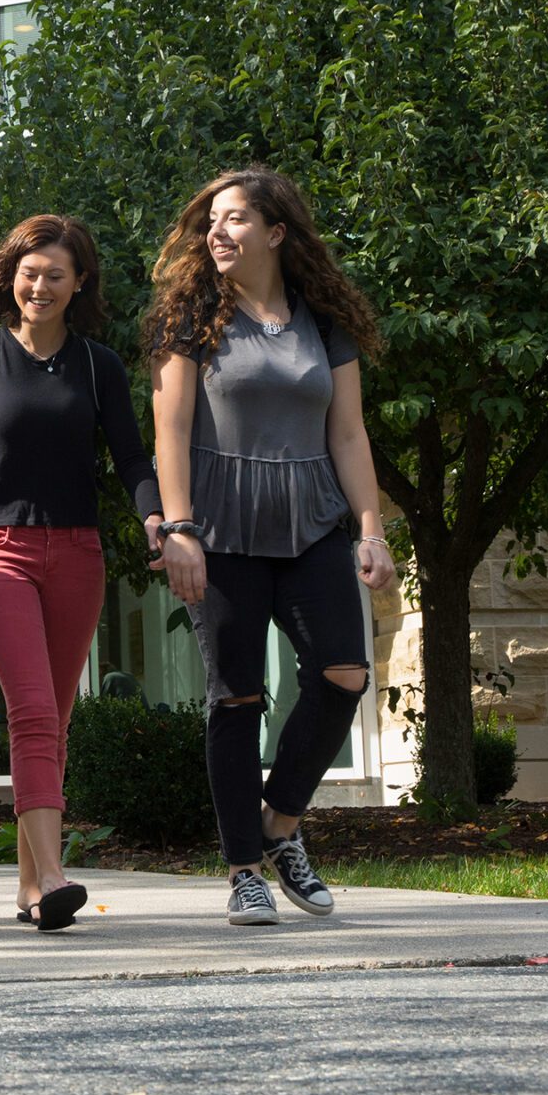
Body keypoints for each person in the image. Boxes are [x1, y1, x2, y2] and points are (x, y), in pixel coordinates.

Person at [143, 167, 394, 926]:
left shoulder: (323, 318)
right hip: (220, 528)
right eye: (212, 219)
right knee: (237, 694)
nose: (217, 231)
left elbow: (347, 432)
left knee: (344, 672)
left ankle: (280, 826)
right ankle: (244, 869)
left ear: (276, 233)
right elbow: (172, 431)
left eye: (236, 219)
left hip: (312, 519)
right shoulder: (188, 315)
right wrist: (179, 527)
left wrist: (372, 528)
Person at [0, 215, 160, 932]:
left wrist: (156, 520)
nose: (40, 285)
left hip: (78, 552)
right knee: (30, 709)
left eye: (56, 273)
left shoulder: (98, 366)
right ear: (9, 275)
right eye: (30, 270)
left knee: (54, 719)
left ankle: (30, 889)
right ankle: (54, 873)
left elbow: (133, 459)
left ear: (79, 281)